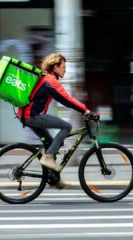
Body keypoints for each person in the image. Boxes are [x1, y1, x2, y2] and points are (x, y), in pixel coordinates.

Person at [17, 53, 91, 187]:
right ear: (55, 66)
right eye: (63, 67)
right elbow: (67, 100)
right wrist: (85, 110)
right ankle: (48, 157)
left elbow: (64, 100)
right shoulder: (50, 81)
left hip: (27, 115)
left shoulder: (46, 78)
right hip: (33, 116)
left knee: (51, 143)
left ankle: (54, 179)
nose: (65, 69)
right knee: (67, 127)